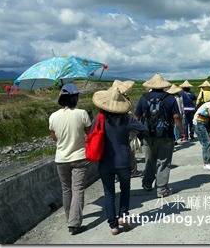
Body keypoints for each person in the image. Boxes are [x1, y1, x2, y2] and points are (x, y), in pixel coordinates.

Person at [91, 86, 148, 235]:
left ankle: (113, 226)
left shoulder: (99, 119)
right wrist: (138, 139)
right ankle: (123, 215)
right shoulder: (126, 119)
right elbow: (143, 129)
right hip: (123, 160)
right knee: (125, 189)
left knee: (109, 193)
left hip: (105, 161)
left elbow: (91, 135)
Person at [49, 83, 91, 235]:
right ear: (74, 97)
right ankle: (75, 223)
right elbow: (89, 134)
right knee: (78, 189)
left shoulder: (53, 116)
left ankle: (70, 219)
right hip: (79, 157)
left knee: (66, 189)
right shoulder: (82, 114)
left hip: (61, 159)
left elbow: (55, 137)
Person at [134, 73, 184, 198]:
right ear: (164, 86)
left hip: (148, 135)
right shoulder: (170, 98)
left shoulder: (143, 98)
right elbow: (176, 117)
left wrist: (138, 132)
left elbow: (136, 117)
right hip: (166, 135)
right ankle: (161, 189)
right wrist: (181, 131)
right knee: (164, 162)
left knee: (150, 160)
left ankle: (147, 184)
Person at [111, 80, 141, 177]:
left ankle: (116, 174)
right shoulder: (124, 101)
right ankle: (132, 170)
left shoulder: (111, 101)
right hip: (125, 128)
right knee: (129, 150)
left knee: (115, 151)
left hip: (114, 129)